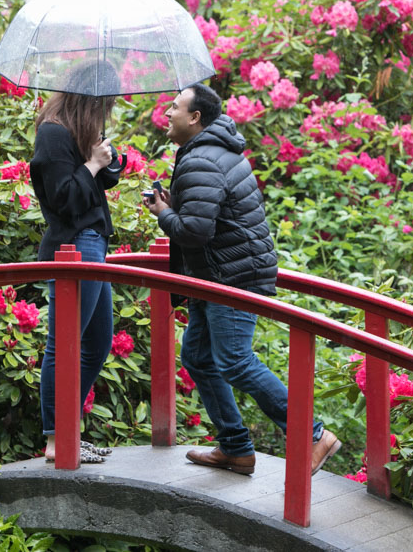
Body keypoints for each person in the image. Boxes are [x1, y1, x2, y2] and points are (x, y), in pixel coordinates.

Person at [143, 83, 340, 476]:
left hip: (231, 275)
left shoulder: (202, 159)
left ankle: (314, 434)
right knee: (199, 358)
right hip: (217, 273)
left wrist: (164, 213)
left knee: (234, 360)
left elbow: (196, 230)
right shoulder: (207, 151)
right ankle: (235, 447)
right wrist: (172, 205)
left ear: (195, 117)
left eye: (175, 107)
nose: (167, 113)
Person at [30, 61, 120, 464]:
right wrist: (93, 164)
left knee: (97, 342)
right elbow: (64, 197)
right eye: (106, 104)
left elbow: (94, 188)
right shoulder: (51, 134)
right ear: (90, 100)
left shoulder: (76, 134)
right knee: (64, 343)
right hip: (74, 246)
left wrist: (105, 160)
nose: (108, 112)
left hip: (94, 244)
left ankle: (68, 428)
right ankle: (55, 437)